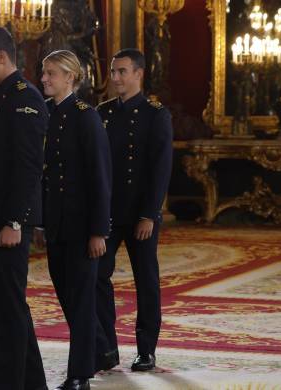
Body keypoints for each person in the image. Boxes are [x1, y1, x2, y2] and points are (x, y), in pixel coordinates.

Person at [0, 26, 48, 390]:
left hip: (11, 220)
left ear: (3, 57)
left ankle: (6, 383)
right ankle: (32, 382)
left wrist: (14, 220)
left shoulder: (23, 96)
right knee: (9, 304)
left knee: (8, 308)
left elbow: (28, 166)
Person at [34, 50, 112, 390]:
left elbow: (100, 177)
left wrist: (99, 231)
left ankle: (79, 374)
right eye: (44, 73)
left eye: (51, 73)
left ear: (70, 77)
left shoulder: (86, 117)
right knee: (66, 294)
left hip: (82, 228)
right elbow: (43, 176)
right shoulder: (47, 115)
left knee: (80, 300)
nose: (44, 79)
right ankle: (101, 349)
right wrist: (39, 222)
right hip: (56, 225)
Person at [95, 48, 173, 373]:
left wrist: (149, 214)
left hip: (140, 214)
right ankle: (107, 347)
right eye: (113, 72)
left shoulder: (157, 114)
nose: (115, 78)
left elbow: (160, 168)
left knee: (146, 280)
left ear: (139, 74)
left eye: (122, 71)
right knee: (98, 276)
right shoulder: (102, 113)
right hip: (108, 214)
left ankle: (146, 350)